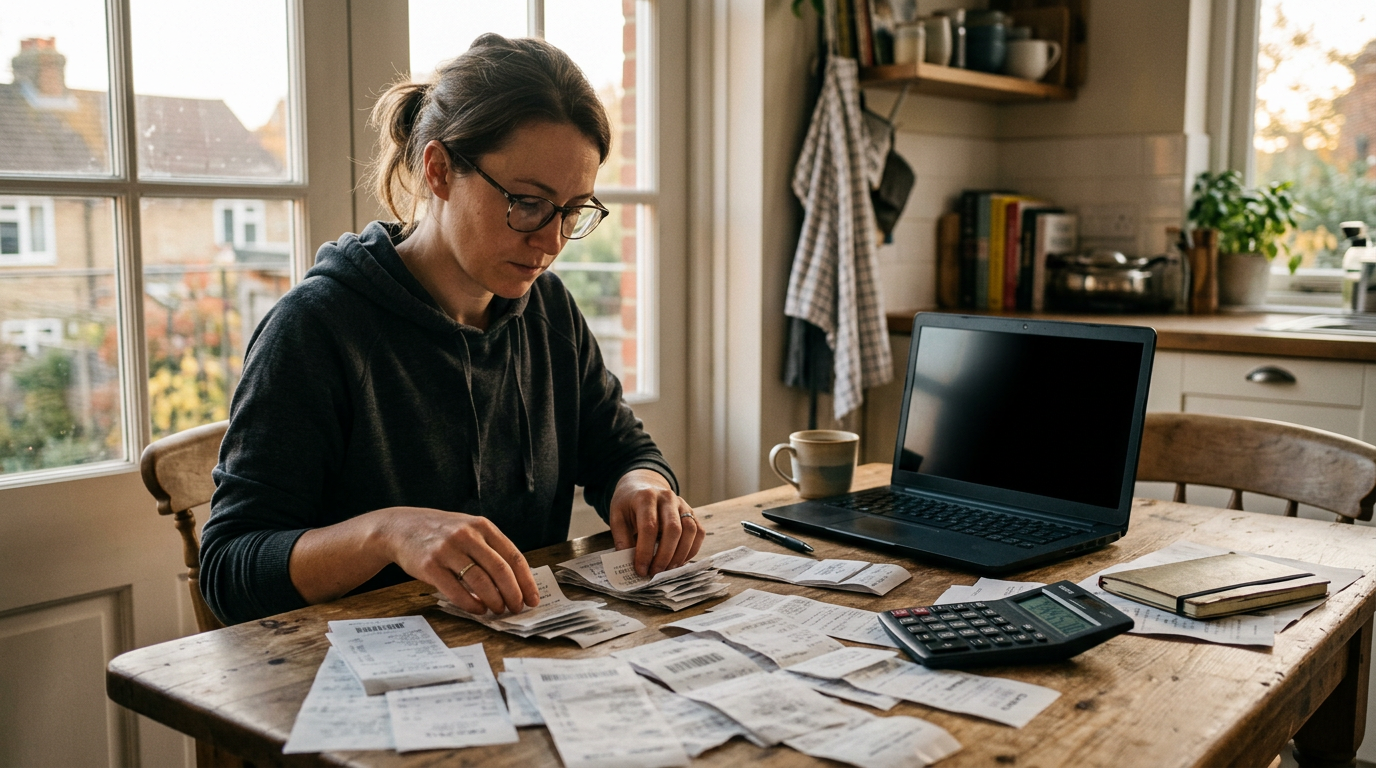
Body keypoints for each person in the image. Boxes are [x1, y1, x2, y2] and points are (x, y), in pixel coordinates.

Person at [199, 34, 703, 626]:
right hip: (353, 680)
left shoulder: (548, 310)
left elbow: (621, 449)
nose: (551, 241)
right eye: (528, 202)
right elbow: (228, 570)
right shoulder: (315, 329)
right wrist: (386, 533)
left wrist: (640, 484)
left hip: (528, 662)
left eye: (572, 210)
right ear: (438, 170)